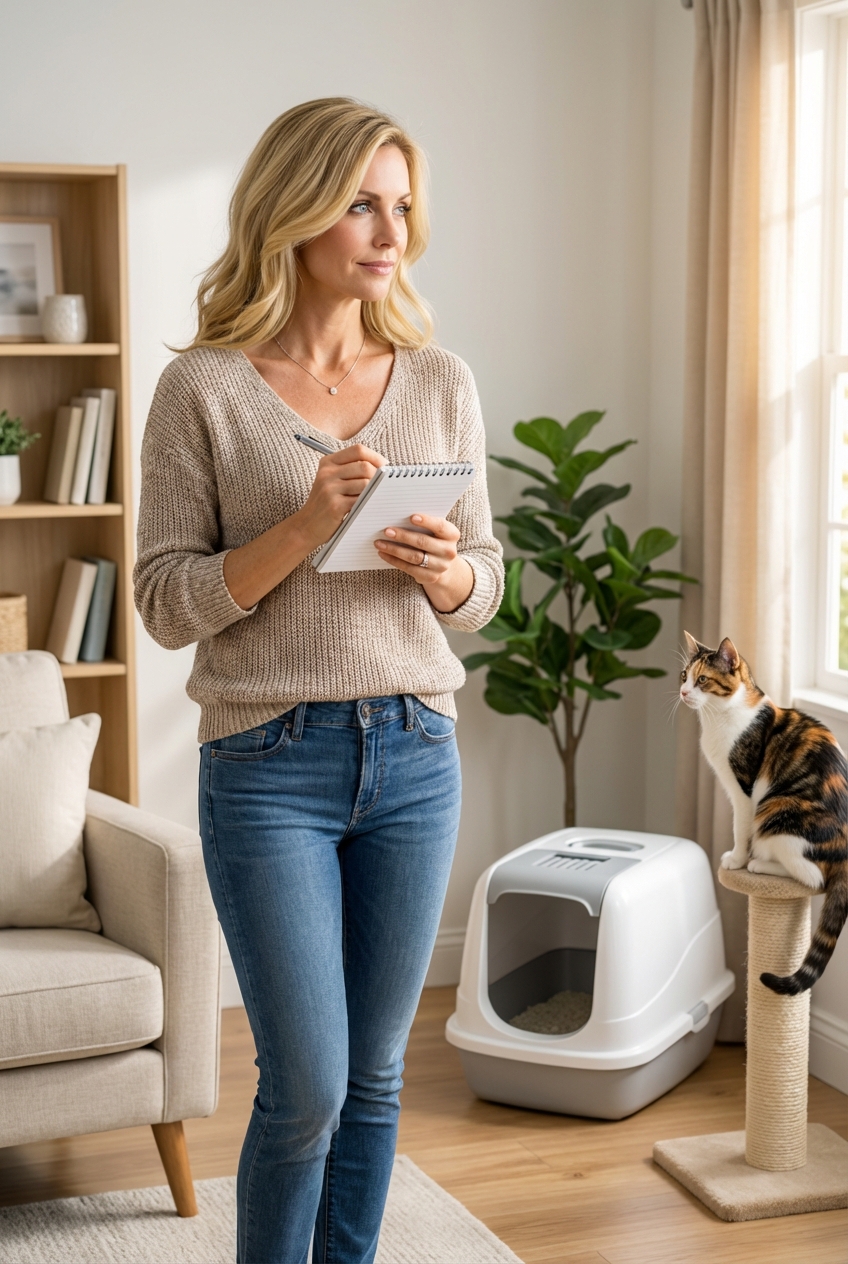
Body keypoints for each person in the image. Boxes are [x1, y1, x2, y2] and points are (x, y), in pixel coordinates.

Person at [134, 97, 504, 1264]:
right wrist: (303, 527)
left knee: (378, 1073)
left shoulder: (440, 378)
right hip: (266, 763)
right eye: (360, 204)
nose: (391, 232)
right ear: (290, 211)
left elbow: (485, 583)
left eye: (401, 206)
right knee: (307, 1084)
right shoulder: (203, 388)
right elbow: (162, 601)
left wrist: (445, 572)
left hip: (415, 749)